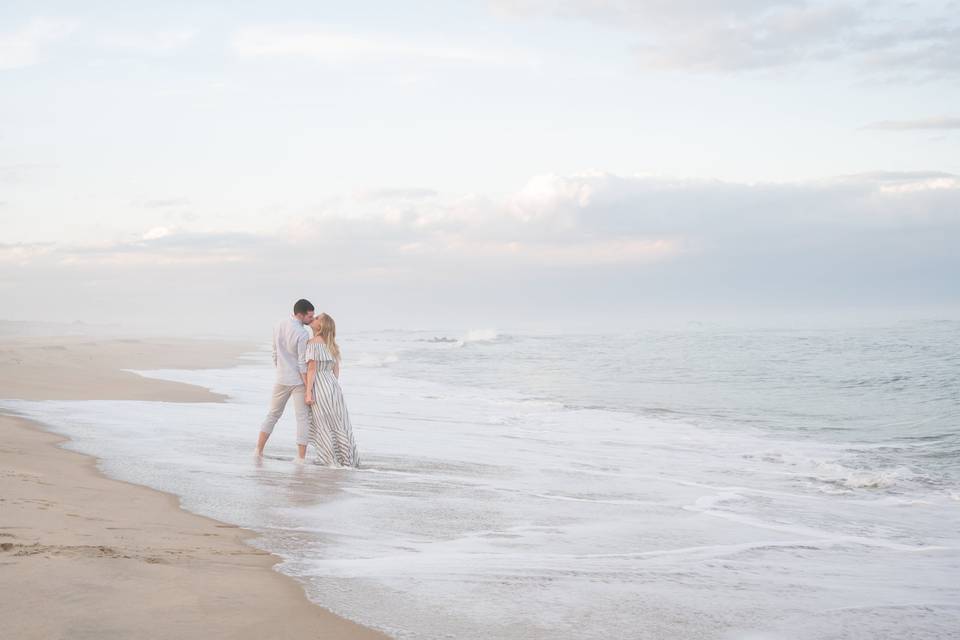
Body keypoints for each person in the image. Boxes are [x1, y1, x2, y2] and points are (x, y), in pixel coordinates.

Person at [255, 299, 314, 463]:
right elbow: (302, 363)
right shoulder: (303, 333)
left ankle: (258, 450)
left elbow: (274, 352)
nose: (312, 319)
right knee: (302, 418)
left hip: (281, 378)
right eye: (310, 316)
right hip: (297, 381)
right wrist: (308, 385)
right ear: (300, 314)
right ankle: (301, 458)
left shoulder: (279, 324)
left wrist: (280, 369)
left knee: (273, 414)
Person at [304, 313, 361, 467]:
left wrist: (308, 392)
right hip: (333, 388)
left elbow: (311, 370)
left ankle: (330, 460)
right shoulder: (332, 345)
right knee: (339, 423)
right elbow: (336, 371)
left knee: (324, 424)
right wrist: (332, 385)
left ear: (320, 326)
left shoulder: (312, 343)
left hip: (320, 386)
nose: (313, 319)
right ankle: (347, 460)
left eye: (316, 319)